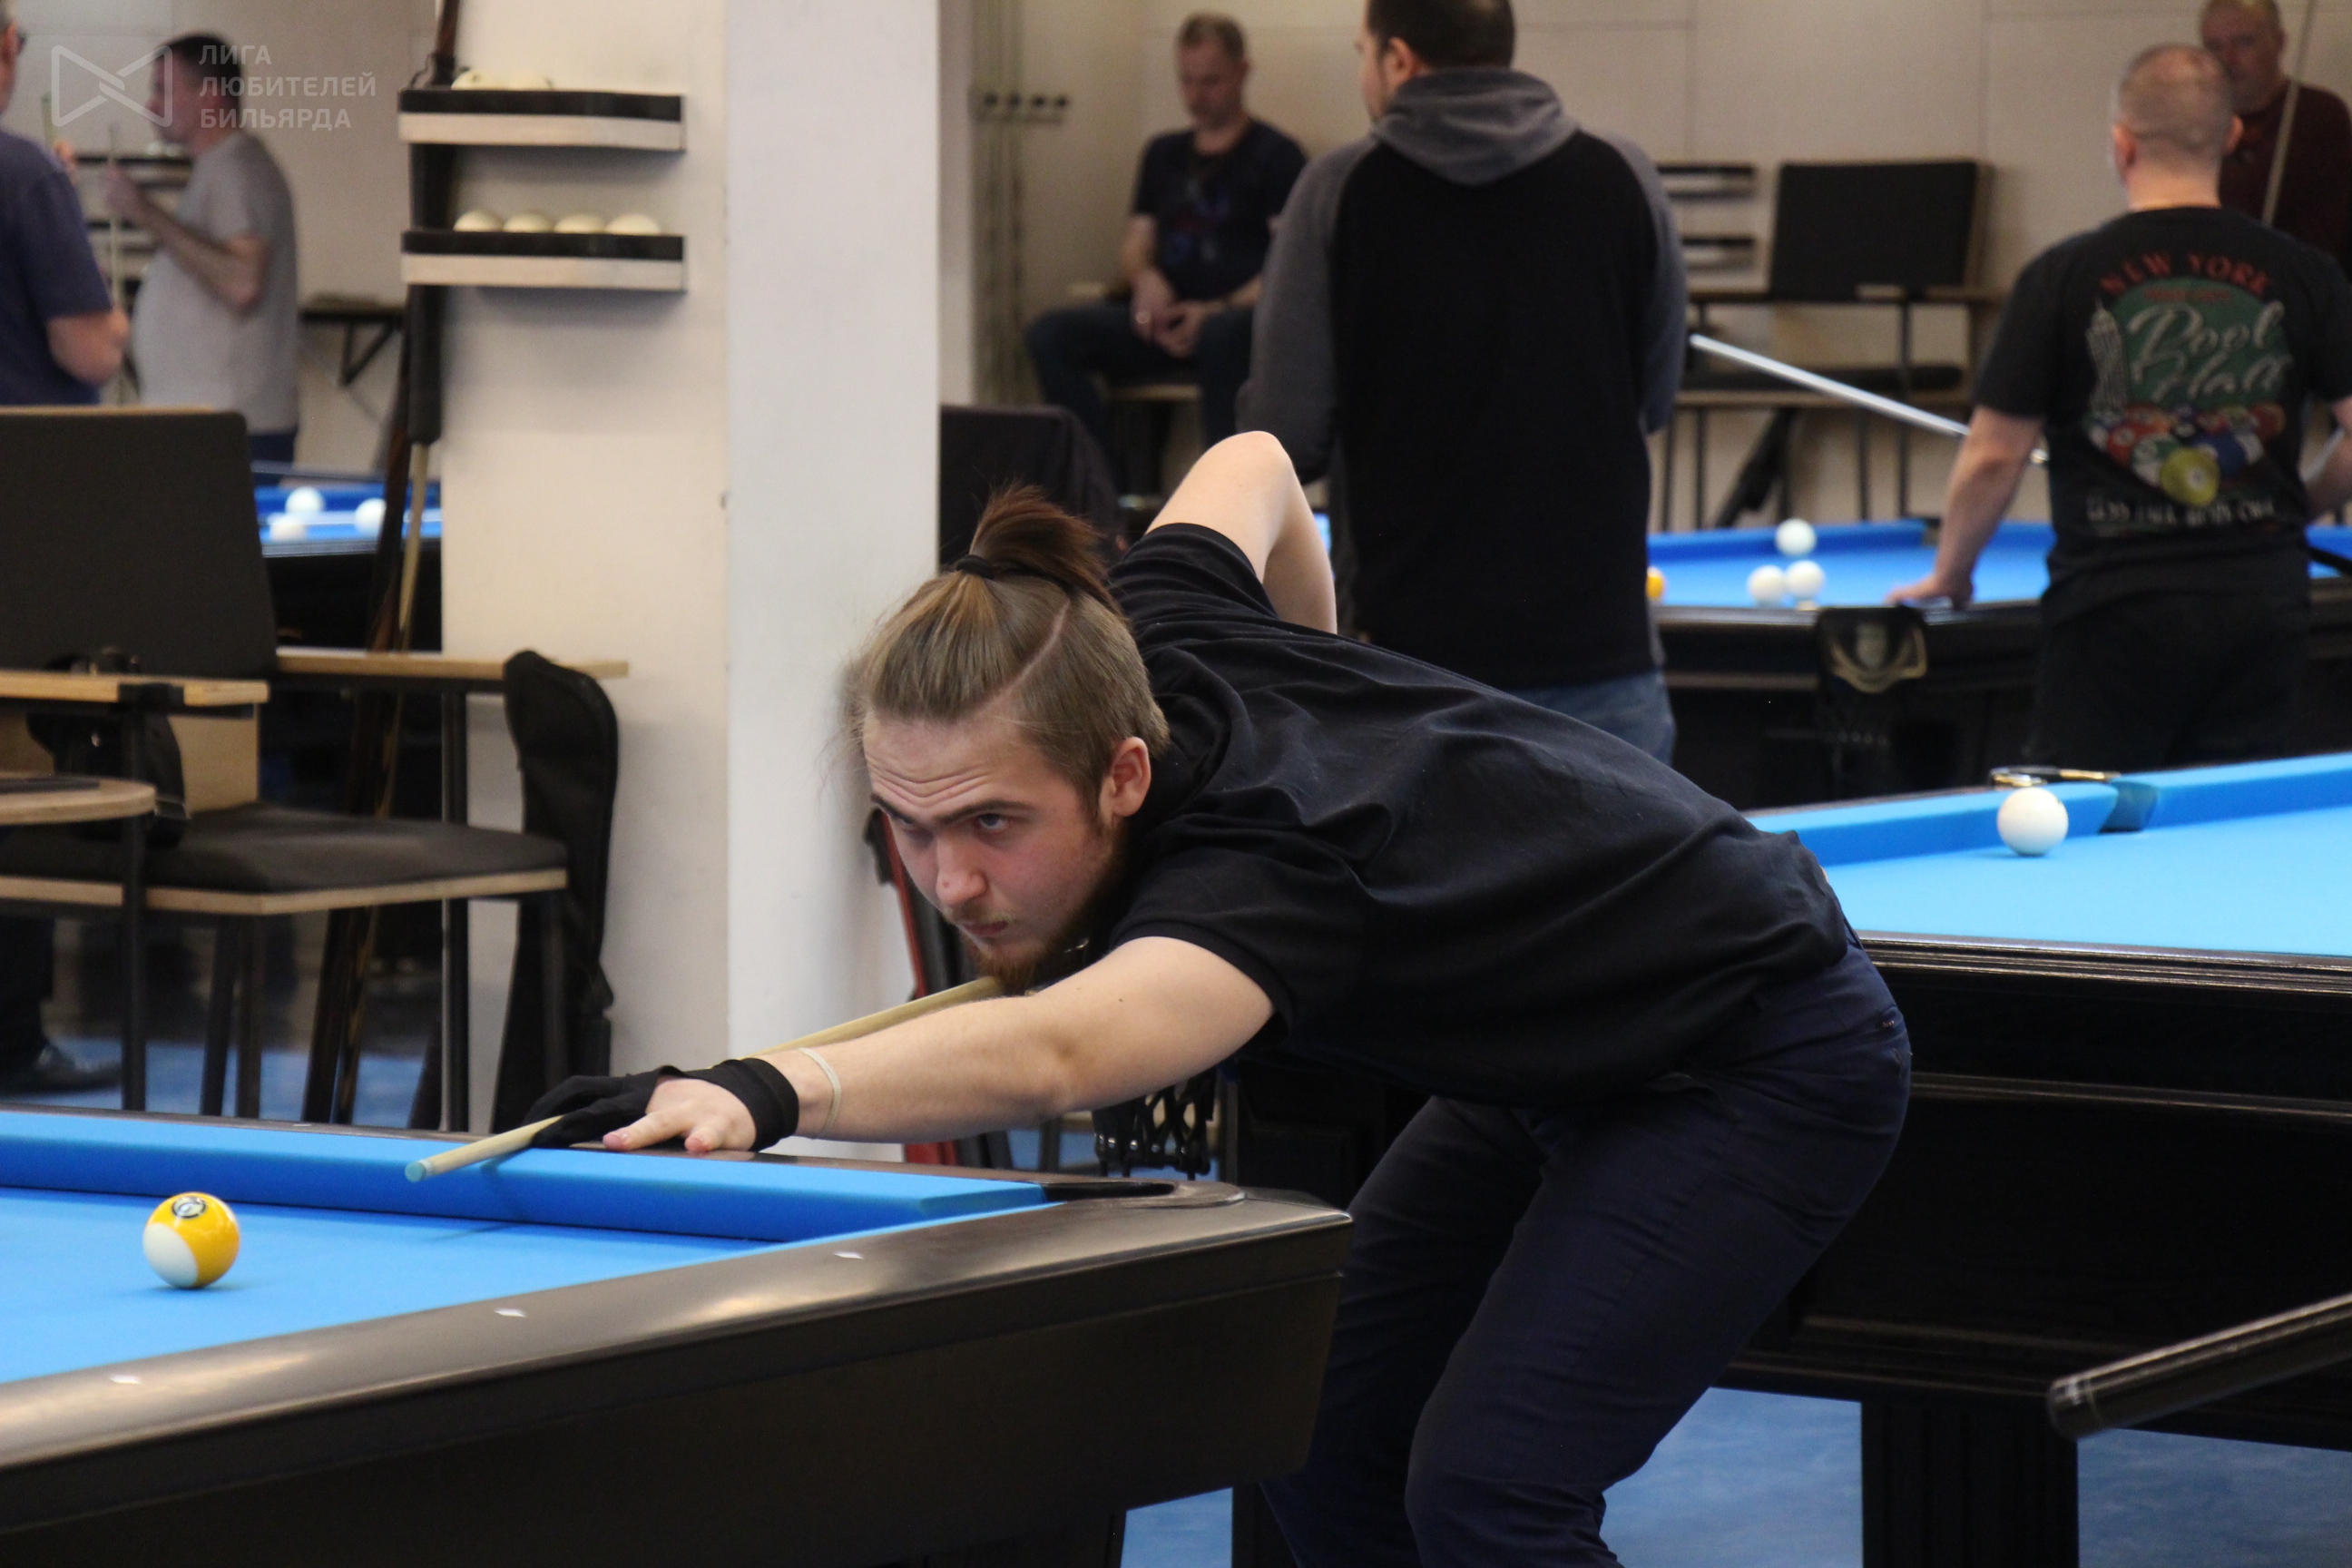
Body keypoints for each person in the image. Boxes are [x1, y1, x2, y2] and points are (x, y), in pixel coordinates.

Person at [525, 434, 1910, 1566]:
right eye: (911, 825)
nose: (953, 880)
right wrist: (1329, 666)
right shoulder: (1142, 635)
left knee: (1493, 1495)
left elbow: (1065, 1049)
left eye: (996, 823)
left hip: (1755, 1055)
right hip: (1566, 1059)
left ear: (1123, 774)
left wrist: (768, 1090)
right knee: (1317, 1427)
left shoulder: (1263, 873)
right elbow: (1253, 462)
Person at [1244, 0, 1686, 761]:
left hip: (1408, 673)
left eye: (1362, 53)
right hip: (1605, 665)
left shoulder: (1338, 190)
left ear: (1399, 61)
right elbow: (1653, 396)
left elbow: (1287, 437)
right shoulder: (1623, 175)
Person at [1893, 44, 2352, 772]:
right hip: (2261, 603)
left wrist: (1950, 574)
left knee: (2087, 810)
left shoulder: (2061, 277)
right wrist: (2300, 504)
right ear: (2232, 136)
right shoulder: (2307, 274)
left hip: (2113, 609)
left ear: (2122, 144)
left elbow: (1993, 456)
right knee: (2225, 815)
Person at [0, 0, 129, 1095]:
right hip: (24, 510)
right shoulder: (26, 174)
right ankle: (9, 1036)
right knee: (22, 770)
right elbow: (88, 346)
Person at [1024, 14, 1305, 466]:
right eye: (1186, 81)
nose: (1196, 97)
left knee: (1221, 336)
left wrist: (1215, 309)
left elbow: (1288, 266)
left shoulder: (1277, 156)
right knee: (1049, 335)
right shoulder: (1163, 154)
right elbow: (1137, 240)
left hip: (1234, 323)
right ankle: (1100, 485)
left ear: (1242, 72)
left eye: (1210, 82)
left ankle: (1224, 492)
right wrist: (1146, 280)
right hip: (1164, 320)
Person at [105, 33, 300, 466]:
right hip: (211, 423)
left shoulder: (237, 171)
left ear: (209, 96)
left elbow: (241, 282)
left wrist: (144, 211)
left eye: (163, 90)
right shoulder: (218, 171)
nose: (151, 105)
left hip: (229, 426)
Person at [2200, 0, 2352, 265]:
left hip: (2300, 280)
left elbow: (2247, 204)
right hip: (2216, 282)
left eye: (2244, 42)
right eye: (2214, 47)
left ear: (2279, 42)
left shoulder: (2316, 113)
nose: (2228, 59)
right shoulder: (2199, 119)